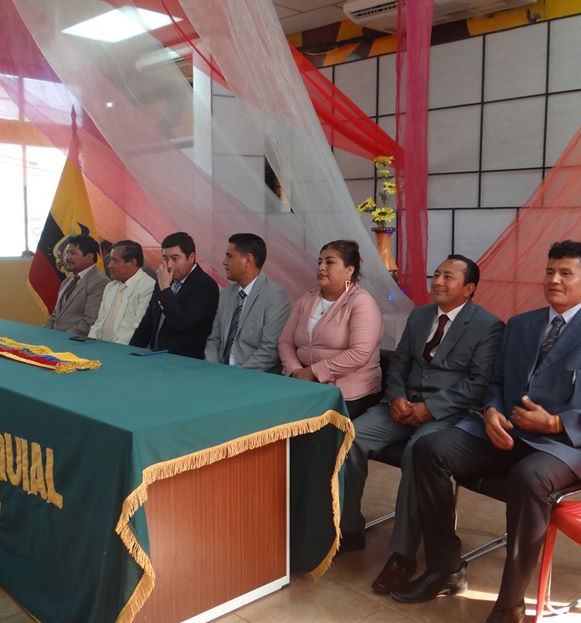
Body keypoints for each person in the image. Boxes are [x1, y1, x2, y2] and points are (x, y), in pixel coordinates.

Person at [392, 241, 581, 623]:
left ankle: (509, 606)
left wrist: (556, 422)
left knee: (528, 478)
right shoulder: (522, 324)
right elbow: (495, 384)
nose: (554, 280)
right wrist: (491, 411)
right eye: (550, 272)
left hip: (566, 444)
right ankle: (445, 567)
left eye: (566, 273)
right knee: (428, 449)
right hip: (505, 432)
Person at [340, 255, 504, 593]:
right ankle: (348, 528)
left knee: (419, 453)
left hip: (447, 414)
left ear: (469, 288)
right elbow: (399, 362)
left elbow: (479, 383)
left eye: (449, 277)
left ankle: (402, 555)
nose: (438, 281)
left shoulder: (488, 326)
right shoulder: (419, 315)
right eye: (437, 274)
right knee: (351, 437)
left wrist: (430, 408)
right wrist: (397, 396)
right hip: (401, 407)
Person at [278, 240, 382, 417]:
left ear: (349, 270)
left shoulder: (362, 302)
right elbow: (285, 342)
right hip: (303, 383)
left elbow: (359, 353)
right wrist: (296, 371)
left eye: (330, 262)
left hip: (348, 392)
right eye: (320, 262)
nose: (321, 267)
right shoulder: (306, 300)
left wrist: (313, 372)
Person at [204, 233, 291, 371]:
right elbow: (214, 339)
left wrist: (237, 375)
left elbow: (269, 351)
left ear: (248, 260)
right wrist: (212, 368)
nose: (224, 262)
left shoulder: (275, 297)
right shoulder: (226, 294)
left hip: (251, 376)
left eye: (229, 256)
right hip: (218, 372)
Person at [129, 231, 219, 359]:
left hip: (184, 360)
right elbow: (147, 322)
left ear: (191, 257)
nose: (169, 265)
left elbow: (181, 322)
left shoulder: (205, 285)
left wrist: (165, 288)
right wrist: (130, 352)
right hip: (155, 355)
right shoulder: (164, 280)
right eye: (165, 259)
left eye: (175, 258)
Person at [88, 240, 155, 344]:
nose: (109, 265)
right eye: (110, 260)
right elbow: (99, 323)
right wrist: (90, 342)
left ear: (132, 262)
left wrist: (115, 349)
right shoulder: (110, 286)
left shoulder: (148, 287)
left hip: (124, 349)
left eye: (115, 261)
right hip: (98, 346)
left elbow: (137, 329)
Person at [44, 234, 109, 335]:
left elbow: (90, 321)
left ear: (89, 257)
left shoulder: (99, 282)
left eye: (73, 253)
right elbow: (55, 315)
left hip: (74, 341)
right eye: (67, 252)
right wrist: (44, 332)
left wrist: (62, 338)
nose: (67, 257)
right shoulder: (67, 281)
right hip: (56, 338)